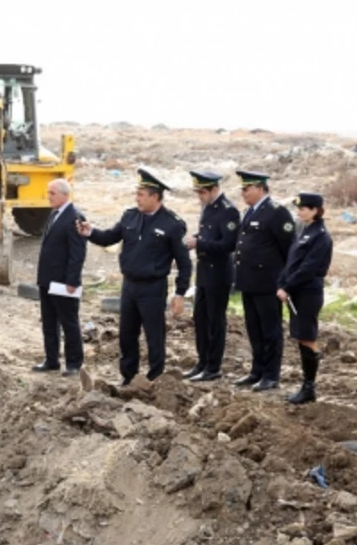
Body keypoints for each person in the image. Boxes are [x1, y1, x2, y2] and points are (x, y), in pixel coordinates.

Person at [78, 168, 192, 386]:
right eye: (137, 193)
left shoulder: (172, 224)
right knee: (127, 335)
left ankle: (154, 378)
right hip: (129, 286)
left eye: (141, 194)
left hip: (153, 288)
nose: (137, 198)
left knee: (154, 335)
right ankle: (128, 376)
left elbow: (184, 263)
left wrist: (180, 293)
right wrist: (90, 232)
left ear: (155, 197)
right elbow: (109, 237)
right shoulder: (130, 216)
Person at [233, 170, 296, 392]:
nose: (243, 193)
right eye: (242, 189)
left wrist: (285, 281)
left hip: (268, 282)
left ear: (260, 188)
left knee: (270, 331)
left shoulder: (277, 213)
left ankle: (271, 375)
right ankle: (256, 370)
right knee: (254, 329)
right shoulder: (250, 212)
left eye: (247, 188)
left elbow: (289, 250)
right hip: (249, 282)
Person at [183, 170, 240, 382]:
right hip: (204, 272)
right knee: (200, 318)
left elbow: (228, 244)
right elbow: (208, 235)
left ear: (215, 189)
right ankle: (202, 361)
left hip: (219, 273)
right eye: (198, 192)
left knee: (215, 321)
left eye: (203, 192)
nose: (200, 196)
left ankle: (213, 366)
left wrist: (200, 243)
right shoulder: (207, 209)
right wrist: (196, 239)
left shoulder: (228, 211)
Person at [277, 192, 333, 404]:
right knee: (301, 335)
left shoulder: (321, 236)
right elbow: (292, 262)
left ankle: (309, 386)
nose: (299, 212)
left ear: (315, 211)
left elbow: (308, 268)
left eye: (303, 209)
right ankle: (307, 384)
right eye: (299, 209)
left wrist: (288, 286)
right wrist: (282, 283)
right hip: (297, 290)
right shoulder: (304, 231)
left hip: (308, 291)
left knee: (307, 336)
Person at [32, 179, 87, 377]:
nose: (48, 196)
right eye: (48, 192)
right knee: (48, 321)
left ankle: (74, 363)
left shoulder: (74, 217)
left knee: (68, 322)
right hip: (47, 279)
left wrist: (72, 280)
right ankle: (51, 359)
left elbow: (77, 253)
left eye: (52, 193)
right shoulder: (54, 214)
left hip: (64, 282)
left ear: (65, 194)